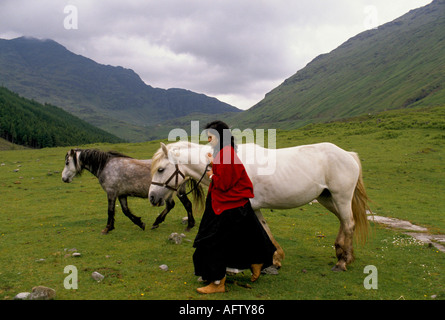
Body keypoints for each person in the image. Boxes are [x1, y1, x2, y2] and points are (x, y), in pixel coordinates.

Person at [193, 120, 276, 294]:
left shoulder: (226, 154)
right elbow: (226, 174)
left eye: (210, 137)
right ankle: (256, 261)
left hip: (227, 203)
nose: (209, 140)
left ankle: (218, 283)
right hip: (235, 202)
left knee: (213, 241)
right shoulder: (225, 153)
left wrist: (211, 174)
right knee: (240, 237)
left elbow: (224, 183)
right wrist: (214, 165)